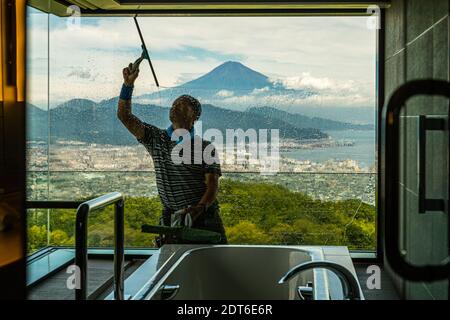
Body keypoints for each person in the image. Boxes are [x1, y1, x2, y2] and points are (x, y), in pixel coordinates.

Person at [117, 57, 227, 245]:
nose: (176, 106)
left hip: (204, 219)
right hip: (171, 218)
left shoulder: (205, 147)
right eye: (175, 103)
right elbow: (124, 116)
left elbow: (212, 186)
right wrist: (127, 85)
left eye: (183, 105)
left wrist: (200, 207)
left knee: (213, 268)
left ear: (194, 118)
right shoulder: (156, 138)